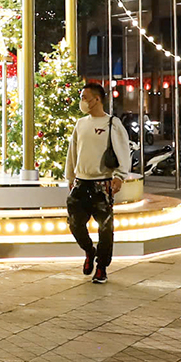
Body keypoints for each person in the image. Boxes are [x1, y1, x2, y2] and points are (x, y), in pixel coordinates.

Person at [64, 84, 128, 285]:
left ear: (97, 99)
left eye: (85, 97)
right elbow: (72, 151)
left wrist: (119, 176)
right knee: (75, 223)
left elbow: (123, 150)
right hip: (81, 182)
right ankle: (89, 251)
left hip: (103, 184)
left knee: (105, 228)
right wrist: (70, 176)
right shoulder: (80, 123)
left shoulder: (112, 123)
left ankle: (101, 267)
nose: (82, 101)